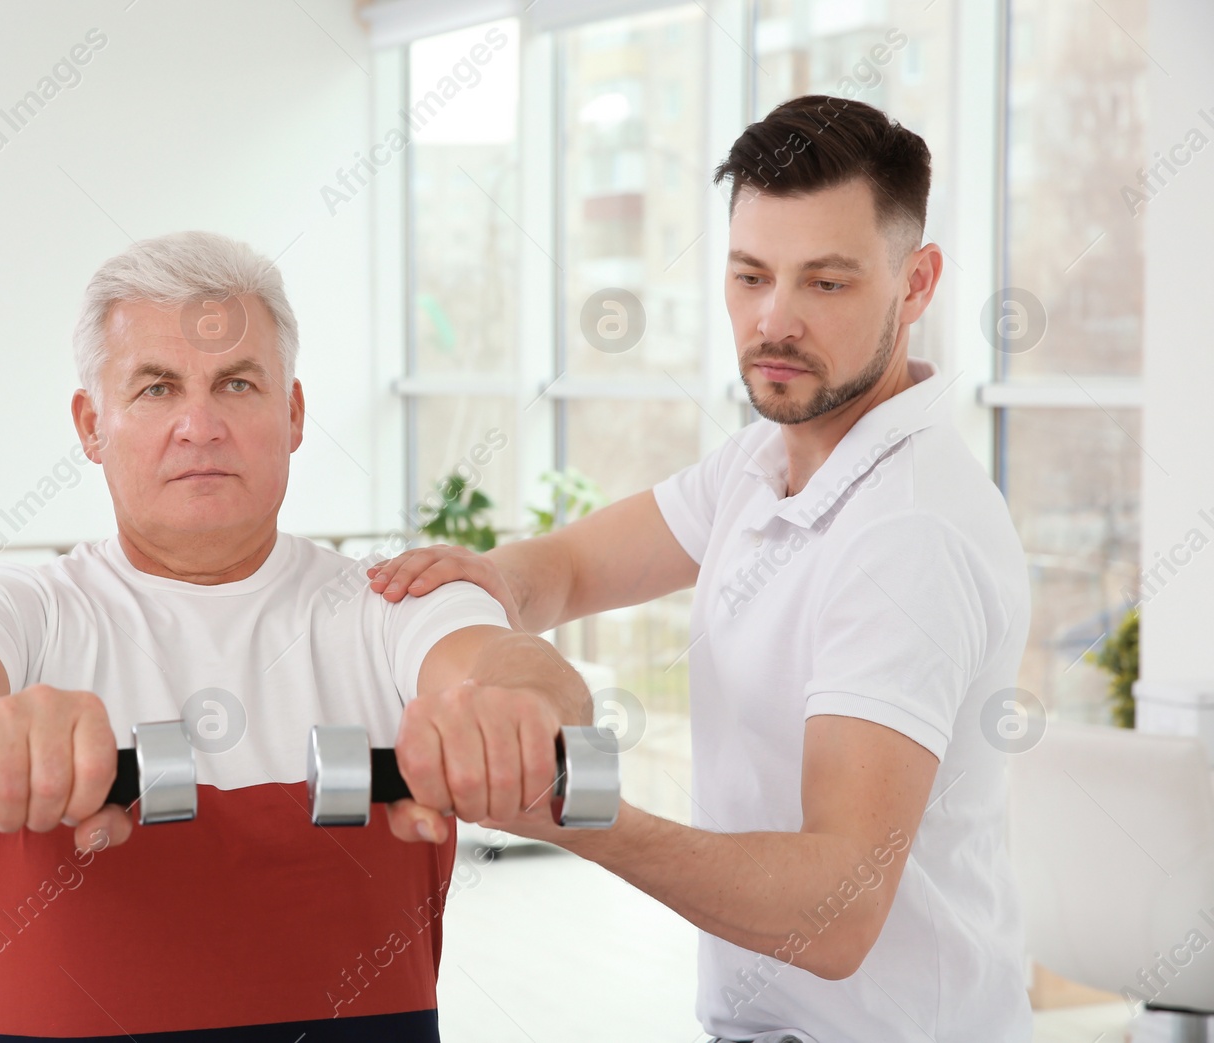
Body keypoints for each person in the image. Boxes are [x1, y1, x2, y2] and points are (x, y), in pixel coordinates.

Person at [368, 95, 1033, 1043]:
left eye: (827, 284)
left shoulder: (909, 533)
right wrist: (482, 585)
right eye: (751, 274)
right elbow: (564, 568)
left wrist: (572, 811)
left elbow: (838, 909)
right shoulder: (767, 462)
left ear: (916, 283)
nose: (776, 321)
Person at [0, 230, 591, 1041]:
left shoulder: (392, 603)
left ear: (294, 412)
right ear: (91, 425)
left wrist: (515, 708)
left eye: (236, 384)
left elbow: (519, 671)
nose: (199, 425)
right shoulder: (22, 607)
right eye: (157, 389)